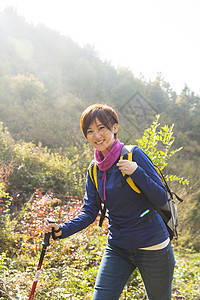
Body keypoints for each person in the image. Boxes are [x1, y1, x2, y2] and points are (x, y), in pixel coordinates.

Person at [44, 103, 175, 300]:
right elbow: (89, 212)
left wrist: (136, 172)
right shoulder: (94, 170)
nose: (96, 136)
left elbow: (161, 197)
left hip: (153, 247)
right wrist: (62, 229)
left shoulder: (134, 155)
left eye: (101, 128)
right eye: (90, 131)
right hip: (118, 247)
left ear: (114, 128)